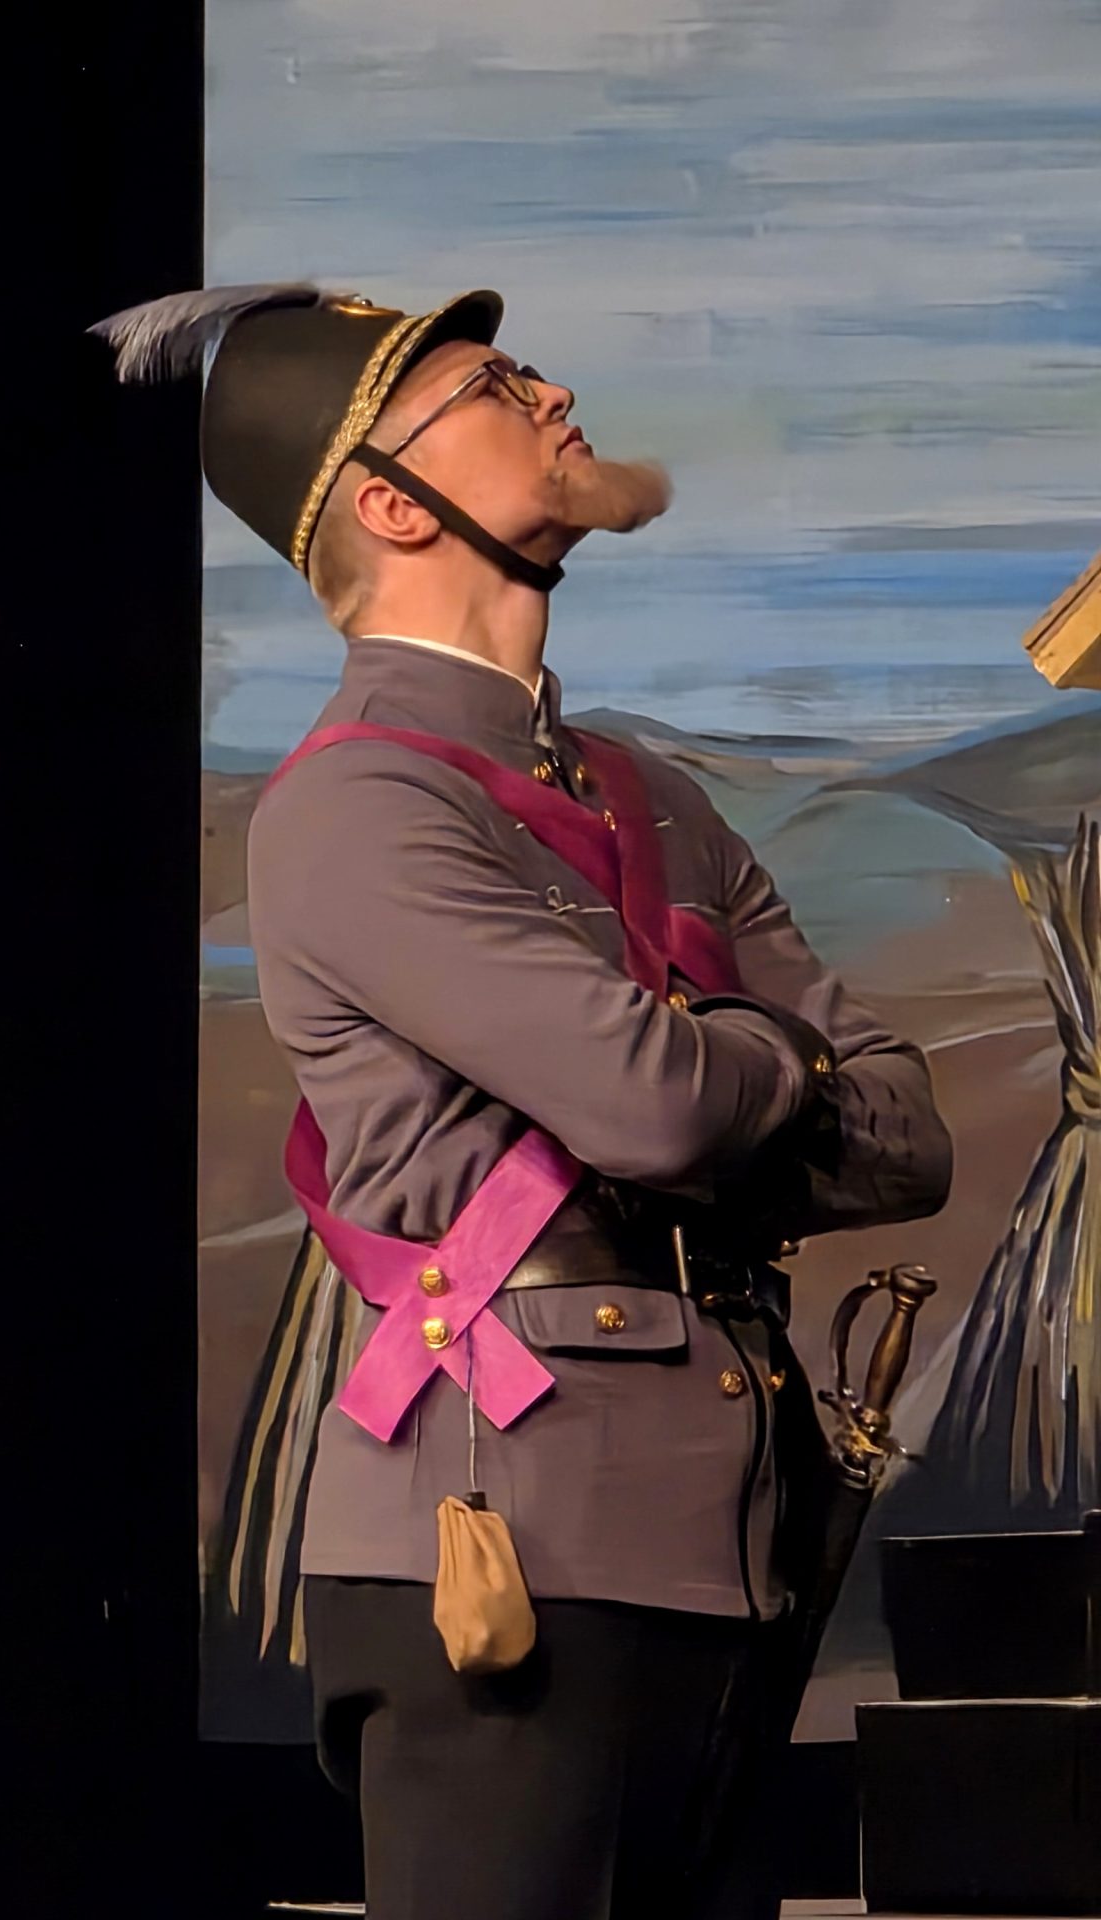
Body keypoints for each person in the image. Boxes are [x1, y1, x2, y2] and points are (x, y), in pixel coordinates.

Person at [97, 284, 951, 1919]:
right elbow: (657, 1106)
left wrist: (704, 1070)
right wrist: (765, 1060)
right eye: (497, 387)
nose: (555, 397)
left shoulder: (651, 795)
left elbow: (911, 1137)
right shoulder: (359, 803)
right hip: (502, 1543)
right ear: (389, 504)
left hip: (726, 1535)